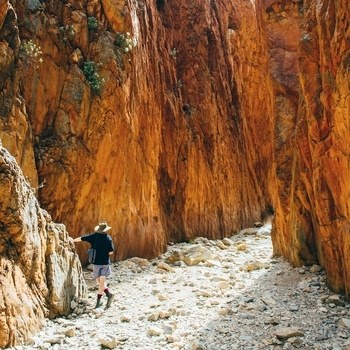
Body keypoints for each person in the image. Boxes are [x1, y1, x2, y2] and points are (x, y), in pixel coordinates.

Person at [73, 221, 115, 308]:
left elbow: (82, 238)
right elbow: (111, 252)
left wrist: (72, 240)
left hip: (96, 263)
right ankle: (108, 294)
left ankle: (98, 301)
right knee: (101, 282)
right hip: (105, 263)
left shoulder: (93, 236)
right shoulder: (108, 238)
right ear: (105, 230)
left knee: (99, 281)